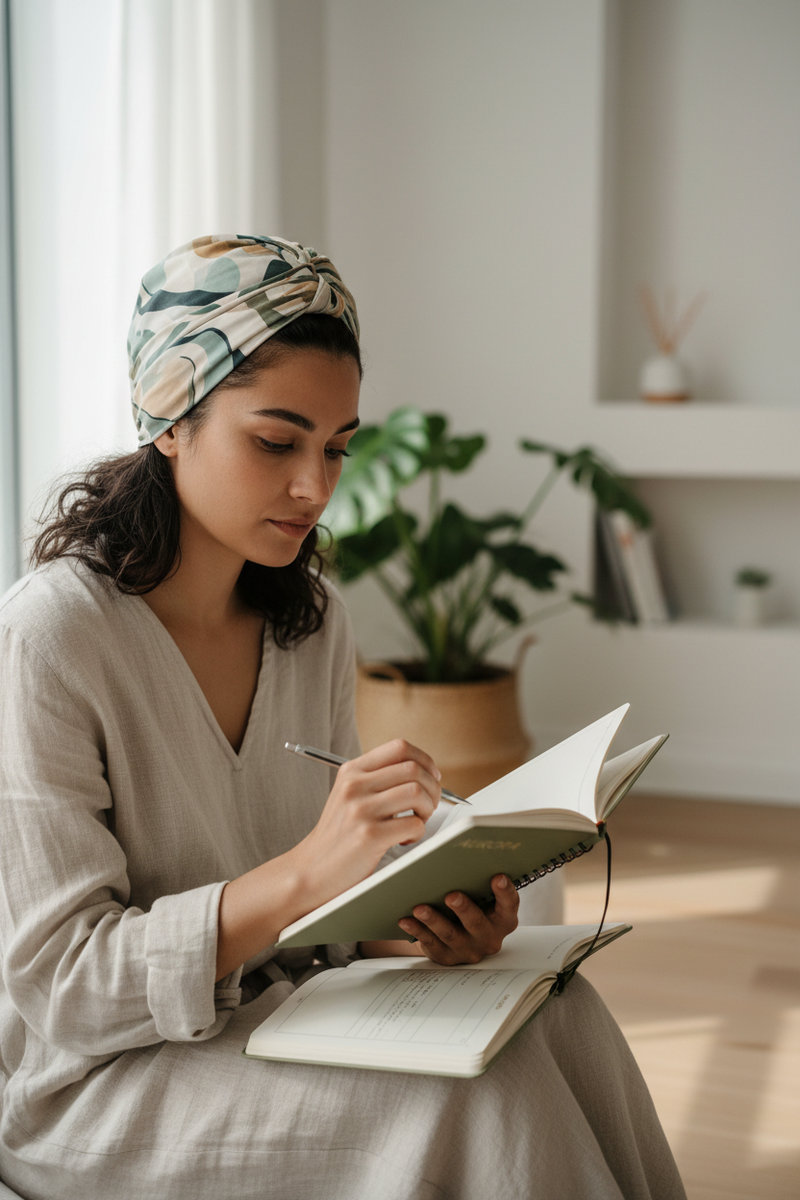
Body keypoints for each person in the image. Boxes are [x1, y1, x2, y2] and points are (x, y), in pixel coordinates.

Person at [0, 235, 686, 1200]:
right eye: (276, 442)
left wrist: (420, 920)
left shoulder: (310, 621)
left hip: (282, 1012)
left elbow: (321, 924)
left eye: (337, 447)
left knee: (558, 1012)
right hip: (102, 1081)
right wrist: (305, 872)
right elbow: (63, 989)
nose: (316, 489)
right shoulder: (52, 637)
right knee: (475, 1099)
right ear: (168, 414)